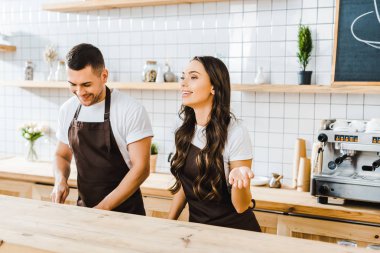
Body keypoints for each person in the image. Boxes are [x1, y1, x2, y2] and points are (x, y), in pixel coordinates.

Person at [51, 43, 153, 215]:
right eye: (73, 84)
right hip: (86, 211)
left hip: (127, 215)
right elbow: (61, 155)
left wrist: (103, 208)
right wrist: (60, 180)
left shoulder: (130, 110)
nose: (79, 92)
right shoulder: (68, 110)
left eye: (86, 84)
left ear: (104, 75)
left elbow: (141, 168)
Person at [168, 56, 261, 232]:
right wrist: (167, 223)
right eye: (183, 77)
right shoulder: (183, 129)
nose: (183, 83)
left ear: (214, 87)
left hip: (235, 234)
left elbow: (241, 206)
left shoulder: (235, 132)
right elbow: (185, 185)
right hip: (198, 233)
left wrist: (239, 182)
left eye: (193, 77)